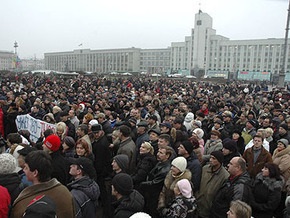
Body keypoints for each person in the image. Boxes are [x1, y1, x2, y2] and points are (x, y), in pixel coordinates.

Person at [10, 150, 75, 217]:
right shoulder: (65, 192)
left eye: (26, 167)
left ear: (35, 173)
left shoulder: (25, 202)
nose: (23, 170)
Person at [140, 146, 173, 217]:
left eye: (161, 153)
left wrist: (142, 184)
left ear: (167, 156)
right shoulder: (160, 163)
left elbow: (154, 183)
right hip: (150, 194)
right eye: (158, 152)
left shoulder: (165, 169)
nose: (158, 154)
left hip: (155, 196)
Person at [196, 151, 229, 218]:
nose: (210, 160)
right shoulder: (205, 169)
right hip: (198, 204)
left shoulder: (225, 176)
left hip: (210, 208)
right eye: (210, 157)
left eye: (214, 158)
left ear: (219, 161)